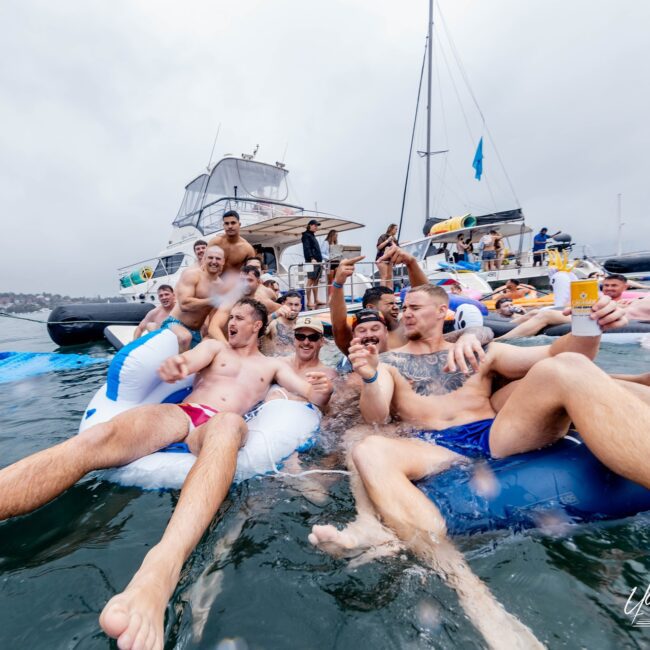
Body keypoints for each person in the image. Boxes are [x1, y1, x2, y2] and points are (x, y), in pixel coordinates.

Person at [0, 298, 333, 650]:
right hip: (184, 413)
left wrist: (321, 391)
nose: (231, 322)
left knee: (229, 426)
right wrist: (178, 363)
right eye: (230, 316)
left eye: (239, 318)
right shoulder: (215, 346)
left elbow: (311, 394)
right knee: (101, 436)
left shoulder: (274, 366)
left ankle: (160, 569)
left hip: (219, 424)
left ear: (257, 325)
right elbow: (191, 360)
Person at [310, 284, 630, 648]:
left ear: (443, 310)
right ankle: (474, 597)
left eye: (414, 306)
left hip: (495, 434)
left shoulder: (484, 352)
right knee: (370, 449)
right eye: (403, 307)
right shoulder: (390, 362)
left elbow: (559, 351)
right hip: (436, 445)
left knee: (563, 368)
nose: (406, 313)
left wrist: (590, 325)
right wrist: (369, 377)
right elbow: (377, 413)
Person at [330, 249, 427, 354]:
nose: (395, 307)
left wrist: (411, 263)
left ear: (385, 332)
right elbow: (338, 326)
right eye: (390, 304)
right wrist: (338, 283)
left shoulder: (405, 331)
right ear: (371, 308)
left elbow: (424, 299)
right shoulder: (357, 343)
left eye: (395, 303)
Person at [161, 245, 227, 350]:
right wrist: (212, 300)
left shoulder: (221, 286)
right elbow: (184, 304)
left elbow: (214, 317)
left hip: (196, 332)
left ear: (223, 261)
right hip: (175, 323)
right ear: (204, 259)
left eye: (218, 258)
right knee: (184, 338)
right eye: (210, 258)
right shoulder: (192, 275)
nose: (214, 261)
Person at [264, 290, 303, 354]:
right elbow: (256, 329)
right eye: (290, 304)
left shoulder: (302, 325)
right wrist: (275, 314)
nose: (293, 308)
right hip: (276, 362)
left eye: (296, 305)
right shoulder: (273, 323)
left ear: (300, 306)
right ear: (283, 305)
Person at [301, 219, 325, 309]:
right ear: (310, 225)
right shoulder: (306, 235)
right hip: (312, 261)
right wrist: (311, 258)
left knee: (316, 281)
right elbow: (306, 248)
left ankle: (316, 300)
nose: (316, 227)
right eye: (315, 225)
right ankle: (309, 302)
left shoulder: (312, 235)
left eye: (317, 225)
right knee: (310, 281)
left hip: (318, 261)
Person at [376, 224, 399, 289]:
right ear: (391, 229)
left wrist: (392, 241)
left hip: (390, 260)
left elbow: (397, 248)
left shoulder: (394, 239)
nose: (396, 231)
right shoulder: (383, 236)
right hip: (382, 260)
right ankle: (383, 292)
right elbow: (379, 247)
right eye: (395, 229)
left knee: (390, 276)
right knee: (384, 276)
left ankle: (390, 292)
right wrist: (387, 241)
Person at [321, 230, 340, 296]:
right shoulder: (326, 243)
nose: (336, 237)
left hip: (336, 262)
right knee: (330, 281)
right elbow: (322, 253)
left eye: (337, 235)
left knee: (335, 281)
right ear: (332, 235)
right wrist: (329, 258)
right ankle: (330, 296)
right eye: (335, 235)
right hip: (329, 263)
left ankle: (334, 295)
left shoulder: (335, 244)